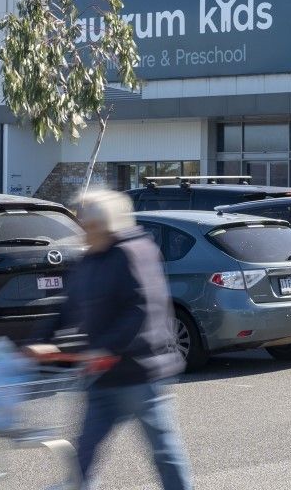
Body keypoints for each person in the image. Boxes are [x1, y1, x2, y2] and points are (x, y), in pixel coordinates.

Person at [28, 189, 193, 489]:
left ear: (109, 225)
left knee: (163, 452)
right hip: (102, 376)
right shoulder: (91, 257)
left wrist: (107, 347)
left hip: (141, 372)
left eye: (90, 226)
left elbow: (141, 310)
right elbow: (69, 305)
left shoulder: (134, 253)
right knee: (84, 453)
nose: (84, 232)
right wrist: (42, 338)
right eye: (83, 225)